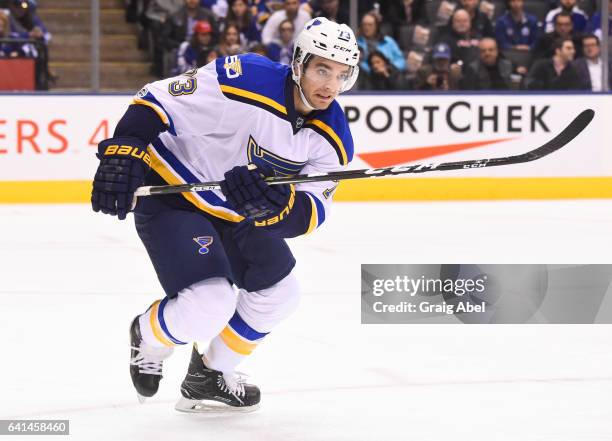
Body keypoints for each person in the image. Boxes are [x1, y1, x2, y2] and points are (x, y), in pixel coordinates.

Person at [90, 16, 359, 412]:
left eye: (341, 75)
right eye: (322, 69)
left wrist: (274, 209)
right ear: (299, 63)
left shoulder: (333, 136)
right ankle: (148, 335)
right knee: (209, 303)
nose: (330, 86)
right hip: (175, 188)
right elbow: (156, 99)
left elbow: (312, 210)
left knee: (281, 294)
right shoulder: (244, 77)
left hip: (237, 211)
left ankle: (209, 375)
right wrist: (127, 146)